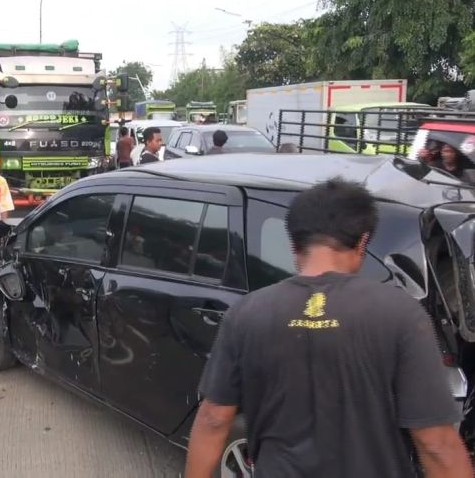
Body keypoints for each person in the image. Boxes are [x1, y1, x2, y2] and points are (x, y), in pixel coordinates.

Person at [185, 178, 472, 477]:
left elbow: (213, 420)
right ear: (362, 242)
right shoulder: (401, 314)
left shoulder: (245, 313)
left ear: (294, 244)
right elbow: (436, 444)